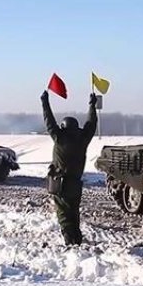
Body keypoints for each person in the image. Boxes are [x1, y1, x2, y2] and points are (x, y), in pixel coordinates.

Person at [41, 90, 97, 246]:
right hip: (76, 183)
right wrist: (92, 106)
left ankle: (69, 241)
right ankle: (77, 240)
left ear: (63, 127)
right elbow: (91, 125)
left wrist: (45, 102)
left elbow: (49, 121)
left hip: (61, 183)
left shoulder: (59, 138)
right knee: (74, 212)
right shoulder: (83, 139)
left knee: (63, 214)